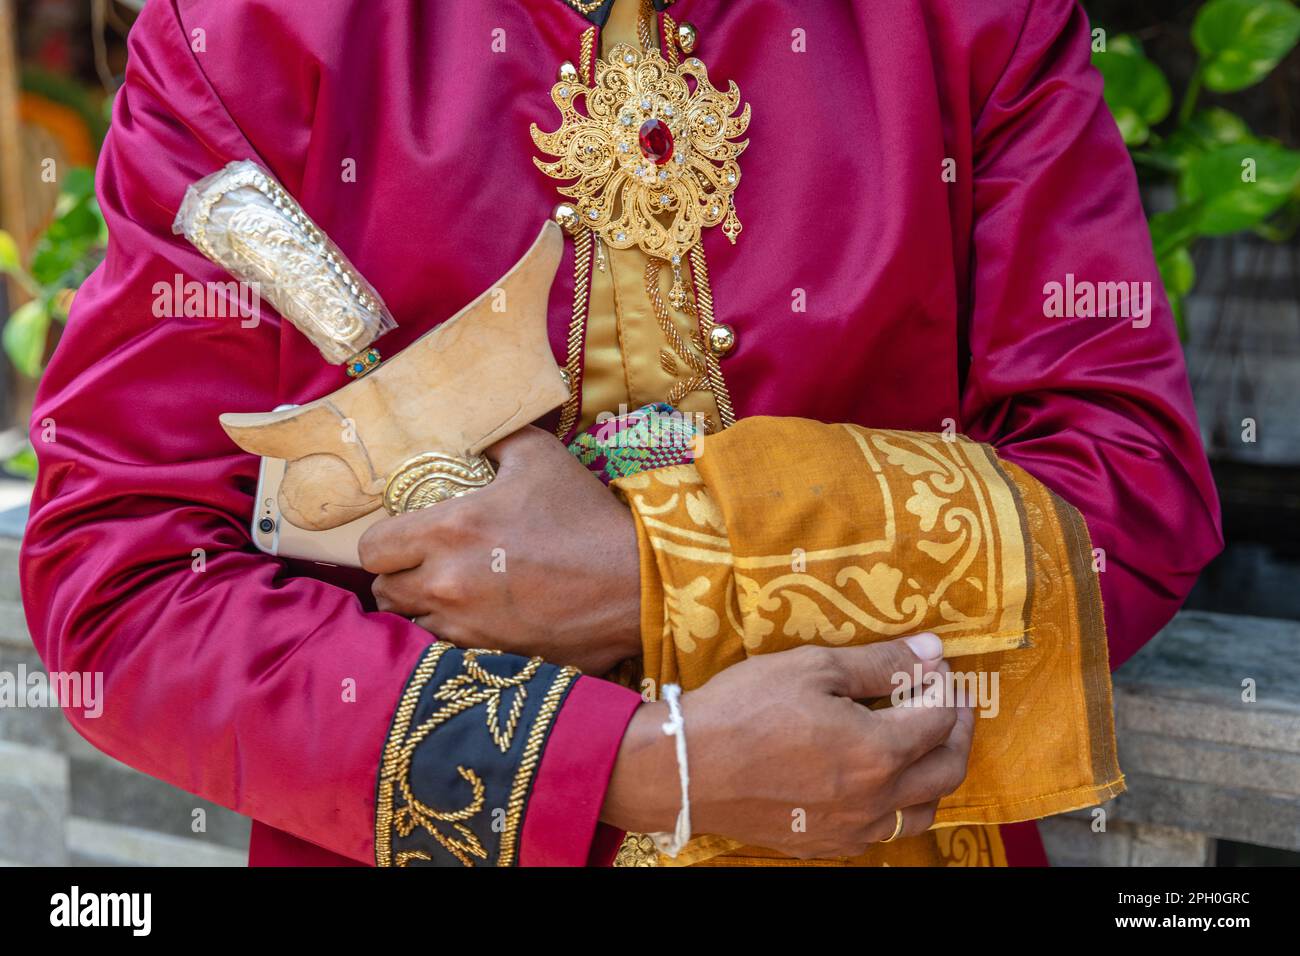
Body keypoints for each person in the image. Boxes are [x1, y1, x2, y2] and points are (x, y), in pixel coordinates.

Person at [21, 0, 1220, 867]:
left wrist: (661, 570)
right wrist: (631, 761)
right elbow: (122, 578)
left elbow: (1130, 492)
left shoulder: (970, 22)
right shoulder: (255, 34)